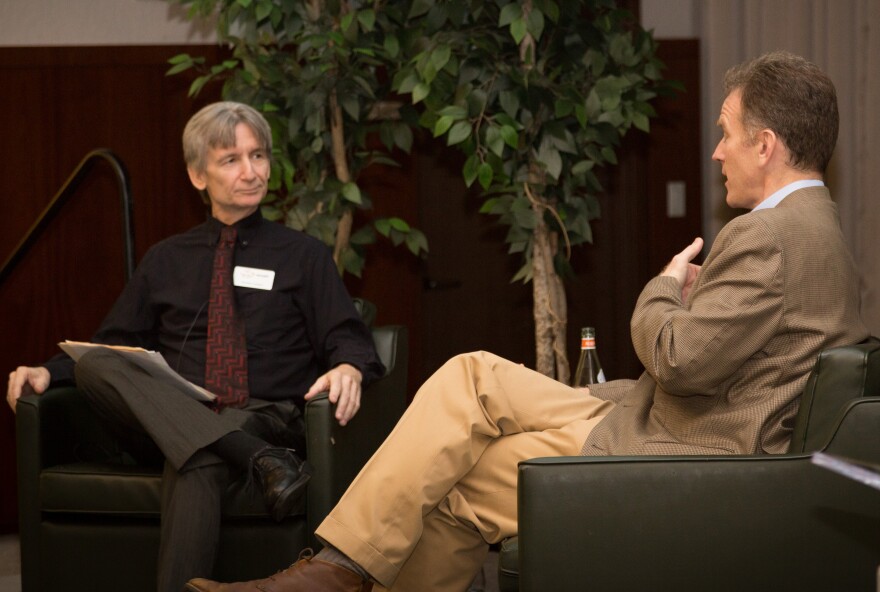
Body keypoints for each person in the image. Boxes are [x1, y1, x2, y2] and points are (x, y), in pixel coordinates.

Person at [185, 51, 869, 592]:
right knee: (470, 379)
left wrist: (663, 289)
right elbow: (734, 352)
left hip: (687, 445)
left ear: (767, 145)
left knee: (464, 473)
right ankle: (335, 570)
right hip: (670, 417)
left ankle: (333, 571)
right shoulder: (818, 230)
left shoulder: (767, 236)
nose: (717, 150)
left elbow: (678, 357)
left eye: (726, 132)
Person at [5, 102, 385, 592]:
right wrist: (47, 371)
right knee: (96, 365)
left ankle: (244, 447)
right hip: (174, 410)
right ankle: (259, 458)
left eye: (259, 156)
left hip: (263, 412)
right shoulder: (166, 259)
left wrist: (349, 366)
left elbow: (348, 336)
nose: (251, 172)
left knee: (196, 456)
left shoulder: (304, 256)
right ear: (197, 175)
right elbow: (112, 342)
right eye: (231, 159)